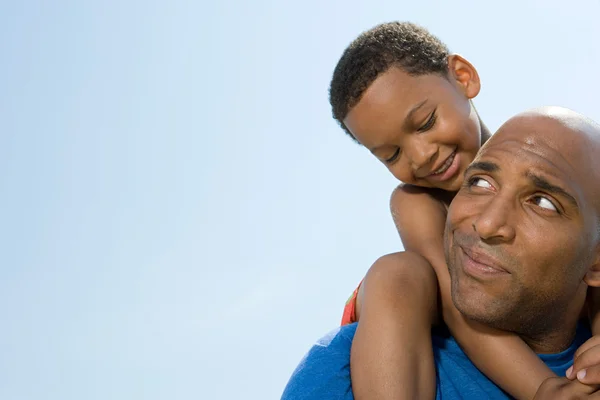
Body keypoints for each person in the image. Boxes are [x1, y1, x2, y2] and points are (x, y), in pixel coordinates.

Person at [328, 22, 600, 399]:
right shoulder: (415, 201)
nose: (422, 156)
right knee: (398, 271)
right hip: (411, 310)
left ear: (462, 78)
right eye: (392, 154)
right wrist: (544, 388)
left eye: (425, 123)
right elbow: (460, 306)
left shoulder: (538, 150)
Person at [282, 107, 600, 399]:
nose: (487, 224)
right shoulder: (348, 367)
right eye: (479, 182)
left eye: (542, 202)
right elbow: (446, 297)